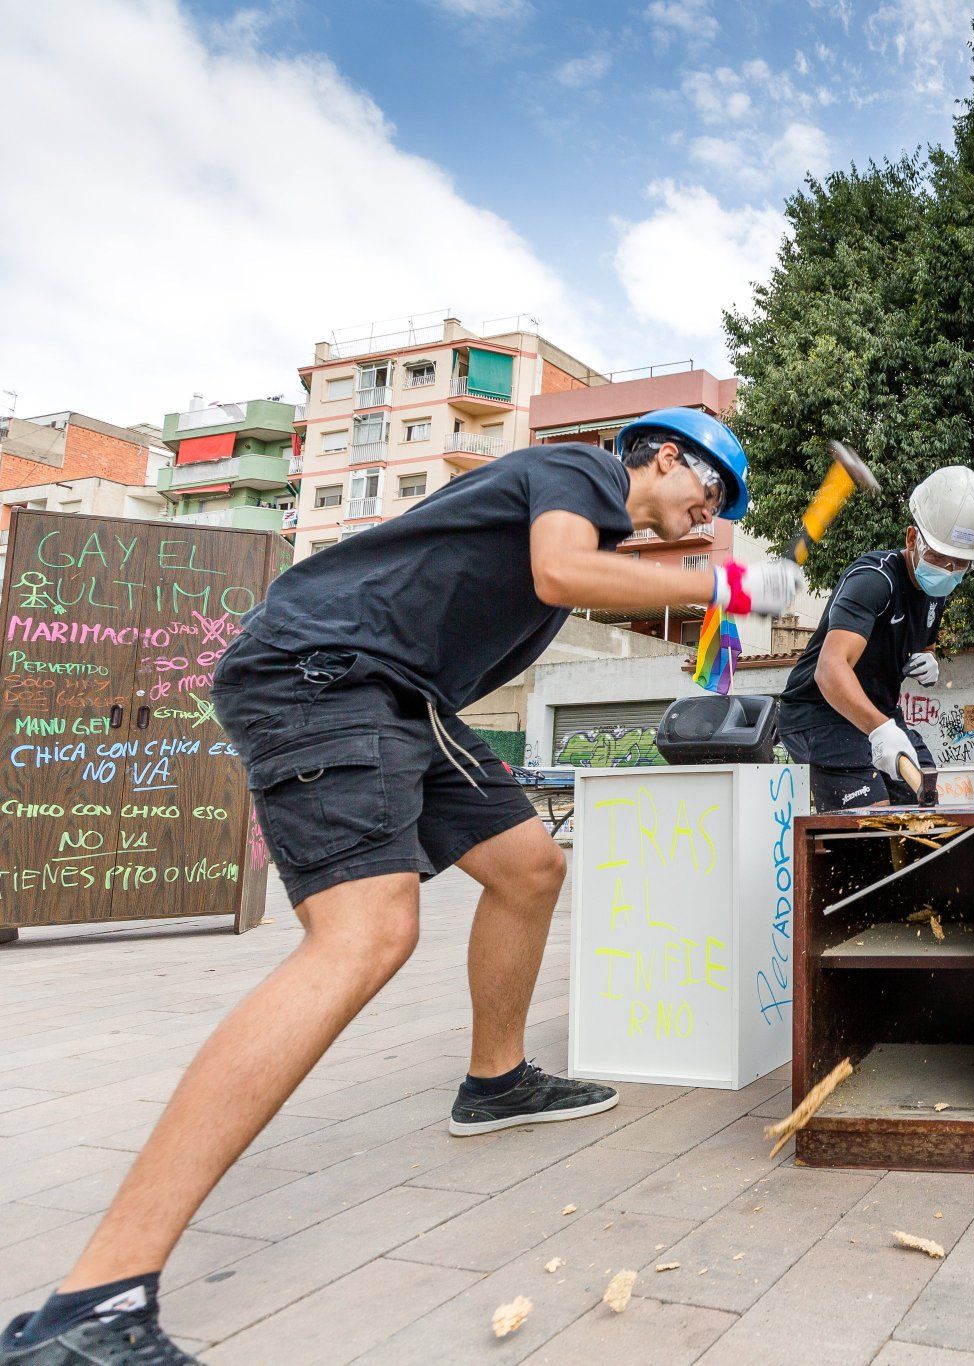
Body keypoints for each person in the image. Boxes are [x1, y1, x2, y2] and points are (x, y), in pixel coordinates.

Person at [0, 409, 797, 1366]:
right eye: (707, 492)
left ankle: (495, 1083)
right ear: (665, 456)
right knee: (366, 936)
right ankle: (93, 1302)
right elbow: (560, 570)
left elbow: (573, 580)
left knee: (531, 866)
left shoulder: (588, 521)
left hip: (409, 699)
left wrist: (711, 596)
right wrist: (733, 581)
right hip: (324, 676)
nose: (705, 513)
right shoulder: (582, 474)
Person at [777, 467, 974, 810]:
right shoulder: (874, 581)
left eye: (961, 564)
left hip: (879, 713)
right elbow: (830, 669)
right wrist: (879, 730)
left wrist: (930, 658)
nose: (949, 570)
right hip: (820, 714)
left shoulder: (938, 593)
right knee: (873, 818)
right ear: (912, 539)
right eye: (939, 558)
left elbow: (925, 640)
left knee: (927, 797)